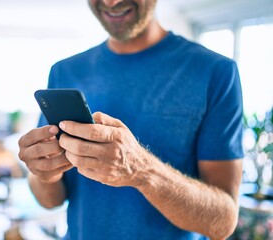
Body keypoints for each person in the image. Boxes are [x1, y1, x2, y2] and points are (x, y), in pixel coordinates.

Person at [18, 0, 243, 239]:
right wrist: (45, 174)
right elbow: (50, 200)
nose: (111, 2)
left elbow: (223, 222)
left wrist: (142, 172)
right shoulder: (64, 71)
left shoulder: (215, 72)